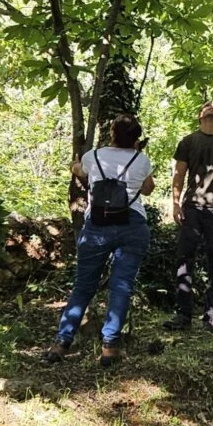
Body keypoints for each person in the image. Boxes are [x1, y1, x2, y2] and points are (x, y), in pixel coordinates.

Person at [42, 114, 155, 367]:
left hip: (97, 226)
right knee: (121, 286)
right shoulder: (142, 159)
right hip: (132, 225)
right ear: (136, 138)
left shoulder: (93, 156)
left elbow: (79, 171)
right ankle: (110, 347)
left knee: (83, 285)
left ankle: (61, 343)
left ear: (111, 133)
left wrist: (74, 164)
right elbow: (148, 189)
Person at [163, 101, 213, 333]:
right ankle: (183, 315)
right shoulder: (188, 141)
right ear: (199, 116)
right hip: (192, 207)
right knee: (184, 258)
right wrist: (175, 204)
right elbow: (179, 174)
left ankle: (211, 316)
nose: (212, 108)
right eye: (207, 106)